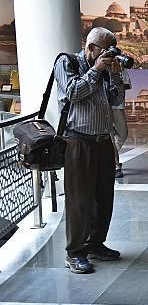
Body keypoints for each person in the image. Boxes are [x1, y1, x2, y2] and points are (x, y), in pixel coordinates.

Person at [55, 27, 125, 274]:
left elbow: (115, 100)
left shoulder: (104, 70)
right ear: (91, 47)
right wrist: (96, 70)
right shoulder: (67, 62)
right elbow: (73, 93)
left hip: (103, 140)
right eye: (105, 50)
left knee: (104, 197)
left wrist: (115, 76)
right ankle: (74, 252)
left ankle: (95, 244)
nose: (108, 55)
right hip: (78, 141)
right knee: (80, 200)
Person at [112, 67, 130, 178]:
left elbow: (127, 84)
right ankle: (115, 165)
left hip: (118, 105)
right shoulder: (98, 63)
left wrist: (116, 82)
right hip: (104, 105)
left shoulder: (119, 65)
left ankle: (108, 156)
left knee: (123, 134)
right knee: (109, 136)